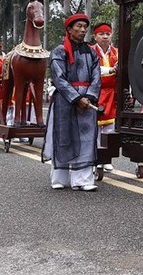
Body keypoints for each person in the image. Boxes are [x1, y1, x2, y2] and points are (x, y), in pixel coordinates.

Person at [41, 14, 101, 191]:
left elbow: (96, 77)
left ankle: (82, 179)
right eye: (79, 26)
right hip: (65, 100)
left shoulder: (91, 51)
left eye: (85, 27)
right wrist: (76, 98)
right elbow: (59, 79)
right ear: (69, 29)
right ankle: (59, 177)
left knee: (86, 137)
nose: (83, 30)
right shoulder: (59, 51)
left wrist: (88, 97)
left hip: (87, 99)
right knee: (64, 136)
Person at [91, 22, 118, 172]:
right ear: (95, 36)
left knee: (110, 128)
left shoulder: (117, 52)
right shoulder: (90, 51)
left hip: (111, 94)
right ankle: (94, 158)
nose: (105, 37)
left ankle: (106, 158)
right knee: (95, 128)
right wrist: (111, 70)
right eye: (101, 34)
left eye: (108, 34)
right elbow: (92, 69)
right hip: (96, 92)